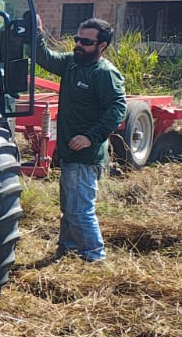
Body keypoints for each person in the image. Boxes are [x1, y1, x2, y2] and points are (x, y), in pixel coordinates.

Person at [38, 16, 127, 264]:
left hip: (85, 155)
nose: (78, 44)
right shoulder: (72, 64)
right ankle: (66, 250)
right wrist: (36, 34)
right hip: (70, 153)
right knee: (70, 210)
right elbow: (45, 58)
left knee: (80, 211)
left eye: (85, 41)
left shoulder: (104, 74)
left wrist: (90, 137)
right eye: (77, 39)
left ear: (102, 46)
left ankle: (94, 258)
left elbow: (118, 109)